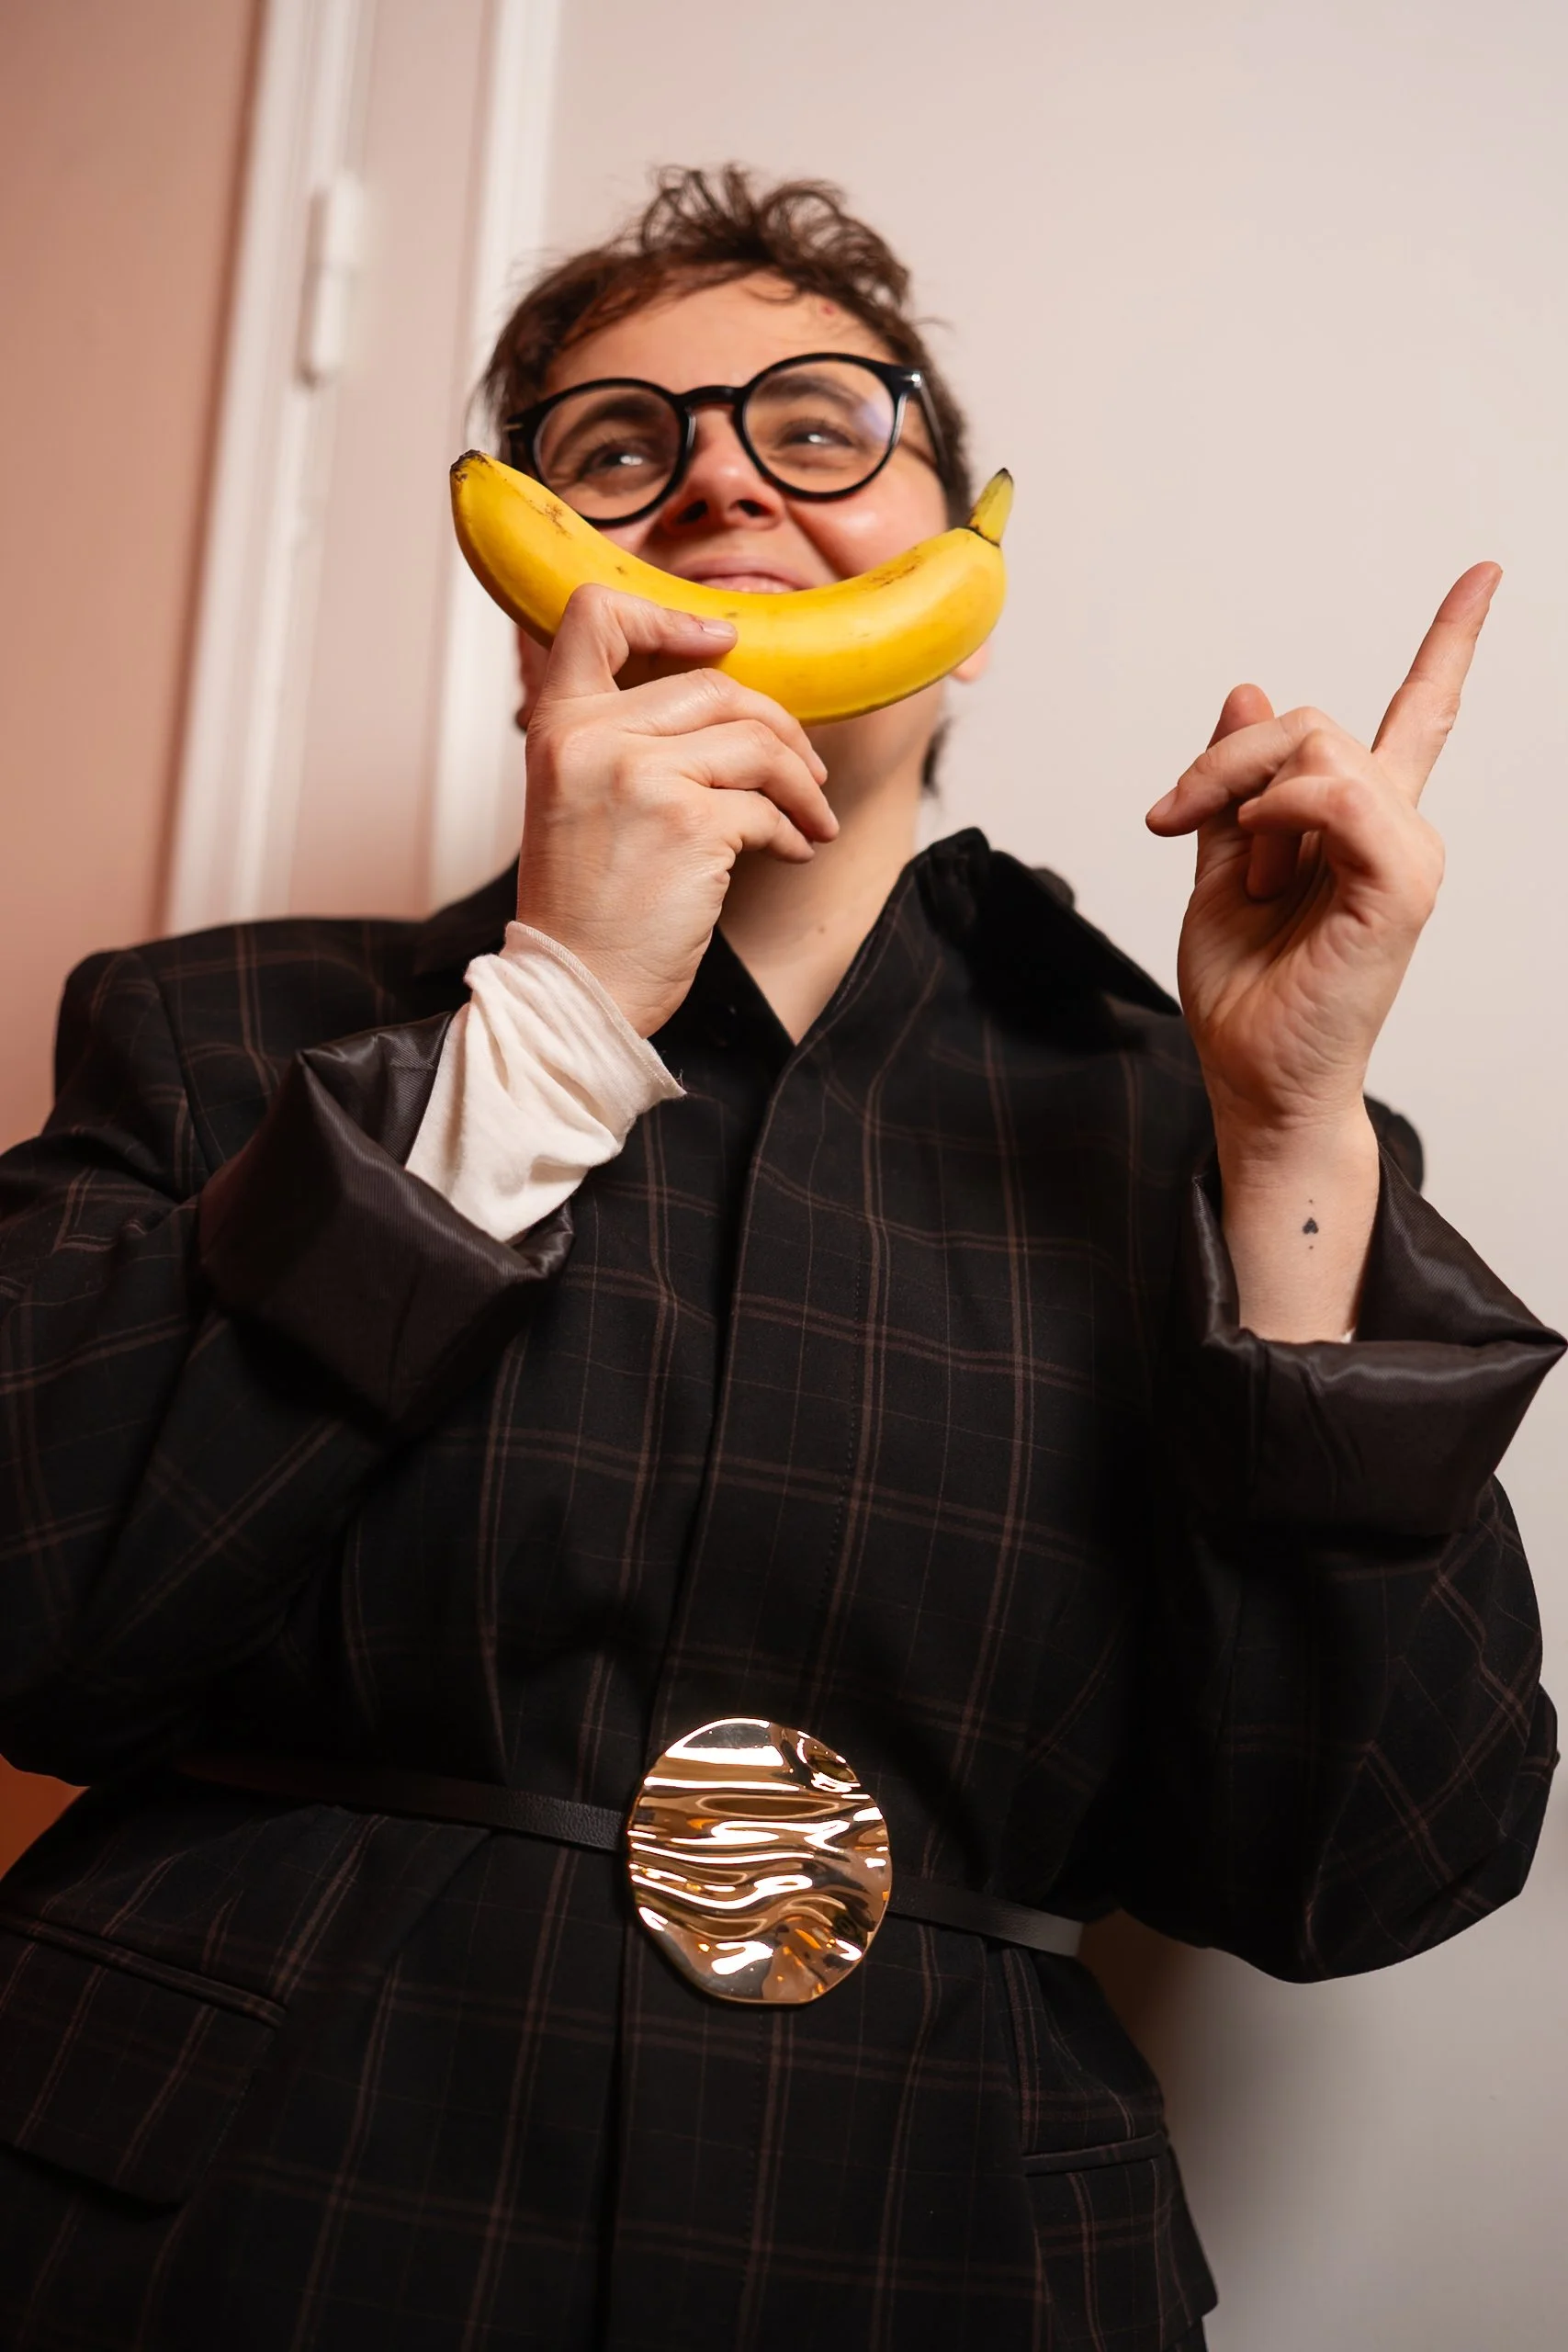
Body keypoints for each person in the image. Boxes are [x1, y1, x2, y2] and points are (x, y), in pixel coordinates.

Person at [0, 166, 1557, 2352]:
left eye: (821, 426)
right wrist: (541, 1032)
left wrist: (1296, 1143)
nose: (724, 477)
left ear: (959, 583)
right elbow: (34, 1610)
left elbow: (1368, 1858)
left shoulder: (1204, 1138)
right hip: (238, 2233)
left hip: (935, 2255)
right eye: (616, 444)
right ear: (528, 597)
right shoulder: (216, 1031)